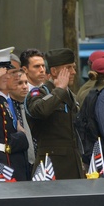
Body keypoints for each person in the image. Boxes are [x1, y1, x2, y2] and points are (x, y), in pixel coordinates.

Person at [25, 47, 83, 179]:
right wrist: (60, 89)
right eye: (68, 68)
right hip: (51, 166)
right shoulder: (39, 93)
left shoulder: (71, 95)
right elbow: (40, 110)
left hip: (73, 163)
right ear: (54, 71)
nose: (73, 72)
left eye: (73, 67)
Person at [0, 49, 29, 180]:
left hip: (4, 165)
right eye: (2, 72)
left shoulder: (0, 101)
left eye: (8, 71)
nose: (7, 76)